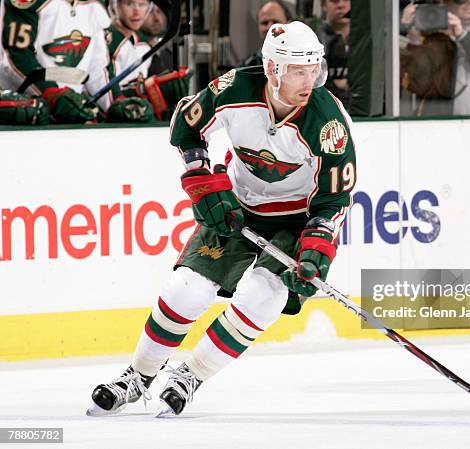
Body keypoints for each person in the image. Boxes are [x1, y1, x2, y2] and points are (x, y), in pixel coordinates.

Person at [87, 21, 356, 417]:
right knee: (185, 289)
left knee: (264, 296)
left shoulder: (329, 123)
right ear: (272, 70)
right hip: (240, 209)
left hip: (295, 222)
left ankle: (191, 375)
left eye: (315, 68)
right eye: (298, 70)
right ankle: (137, 377)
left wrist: (317, 247)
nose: (309, 79)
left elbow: (334, 199)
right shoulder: (234, 89)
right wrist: (202, 177)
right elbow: (186, 126)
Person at [0, 0, 146, 123]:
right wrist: (52, 94)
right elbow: (15, 57)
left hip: (73, 115)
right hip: (24, 115)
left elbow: (98, 67)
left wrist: (117, 103)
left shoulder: (94, 6)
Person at [399, 0, 470, 116]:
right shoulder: (429, 35)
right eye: (461, 0)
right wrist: (407, 32)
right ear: (444, 3)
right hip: (439, 125)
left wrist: (463, 35)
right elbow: (414, 83)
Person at [104, 0, 192, 120]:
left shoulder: (143, 44)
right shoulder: (103, 41)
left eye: (142, 4)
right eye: (129, 4)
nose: (137, 12)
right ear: (113, 5)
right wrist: (148, 90)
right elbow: (107, 100)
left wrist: (162, 89)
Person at [316, 0, 351, 111]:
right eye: (334, 0)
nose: (341, 5)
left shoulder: (366, 41)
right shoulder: (314, 41)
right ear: (323, 5)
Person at [240, 0, 292, 67]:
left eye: (275, 22)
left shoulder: (303, 63)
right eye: (264, 23)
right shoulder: (246, 68)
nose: (269, 27)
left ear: (288, 25)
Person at [141, 2, 173, 75]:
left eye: (159, 11)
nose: (156, 18)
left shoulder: (170, 53)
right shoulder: (134, 51)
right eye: (150, 12)